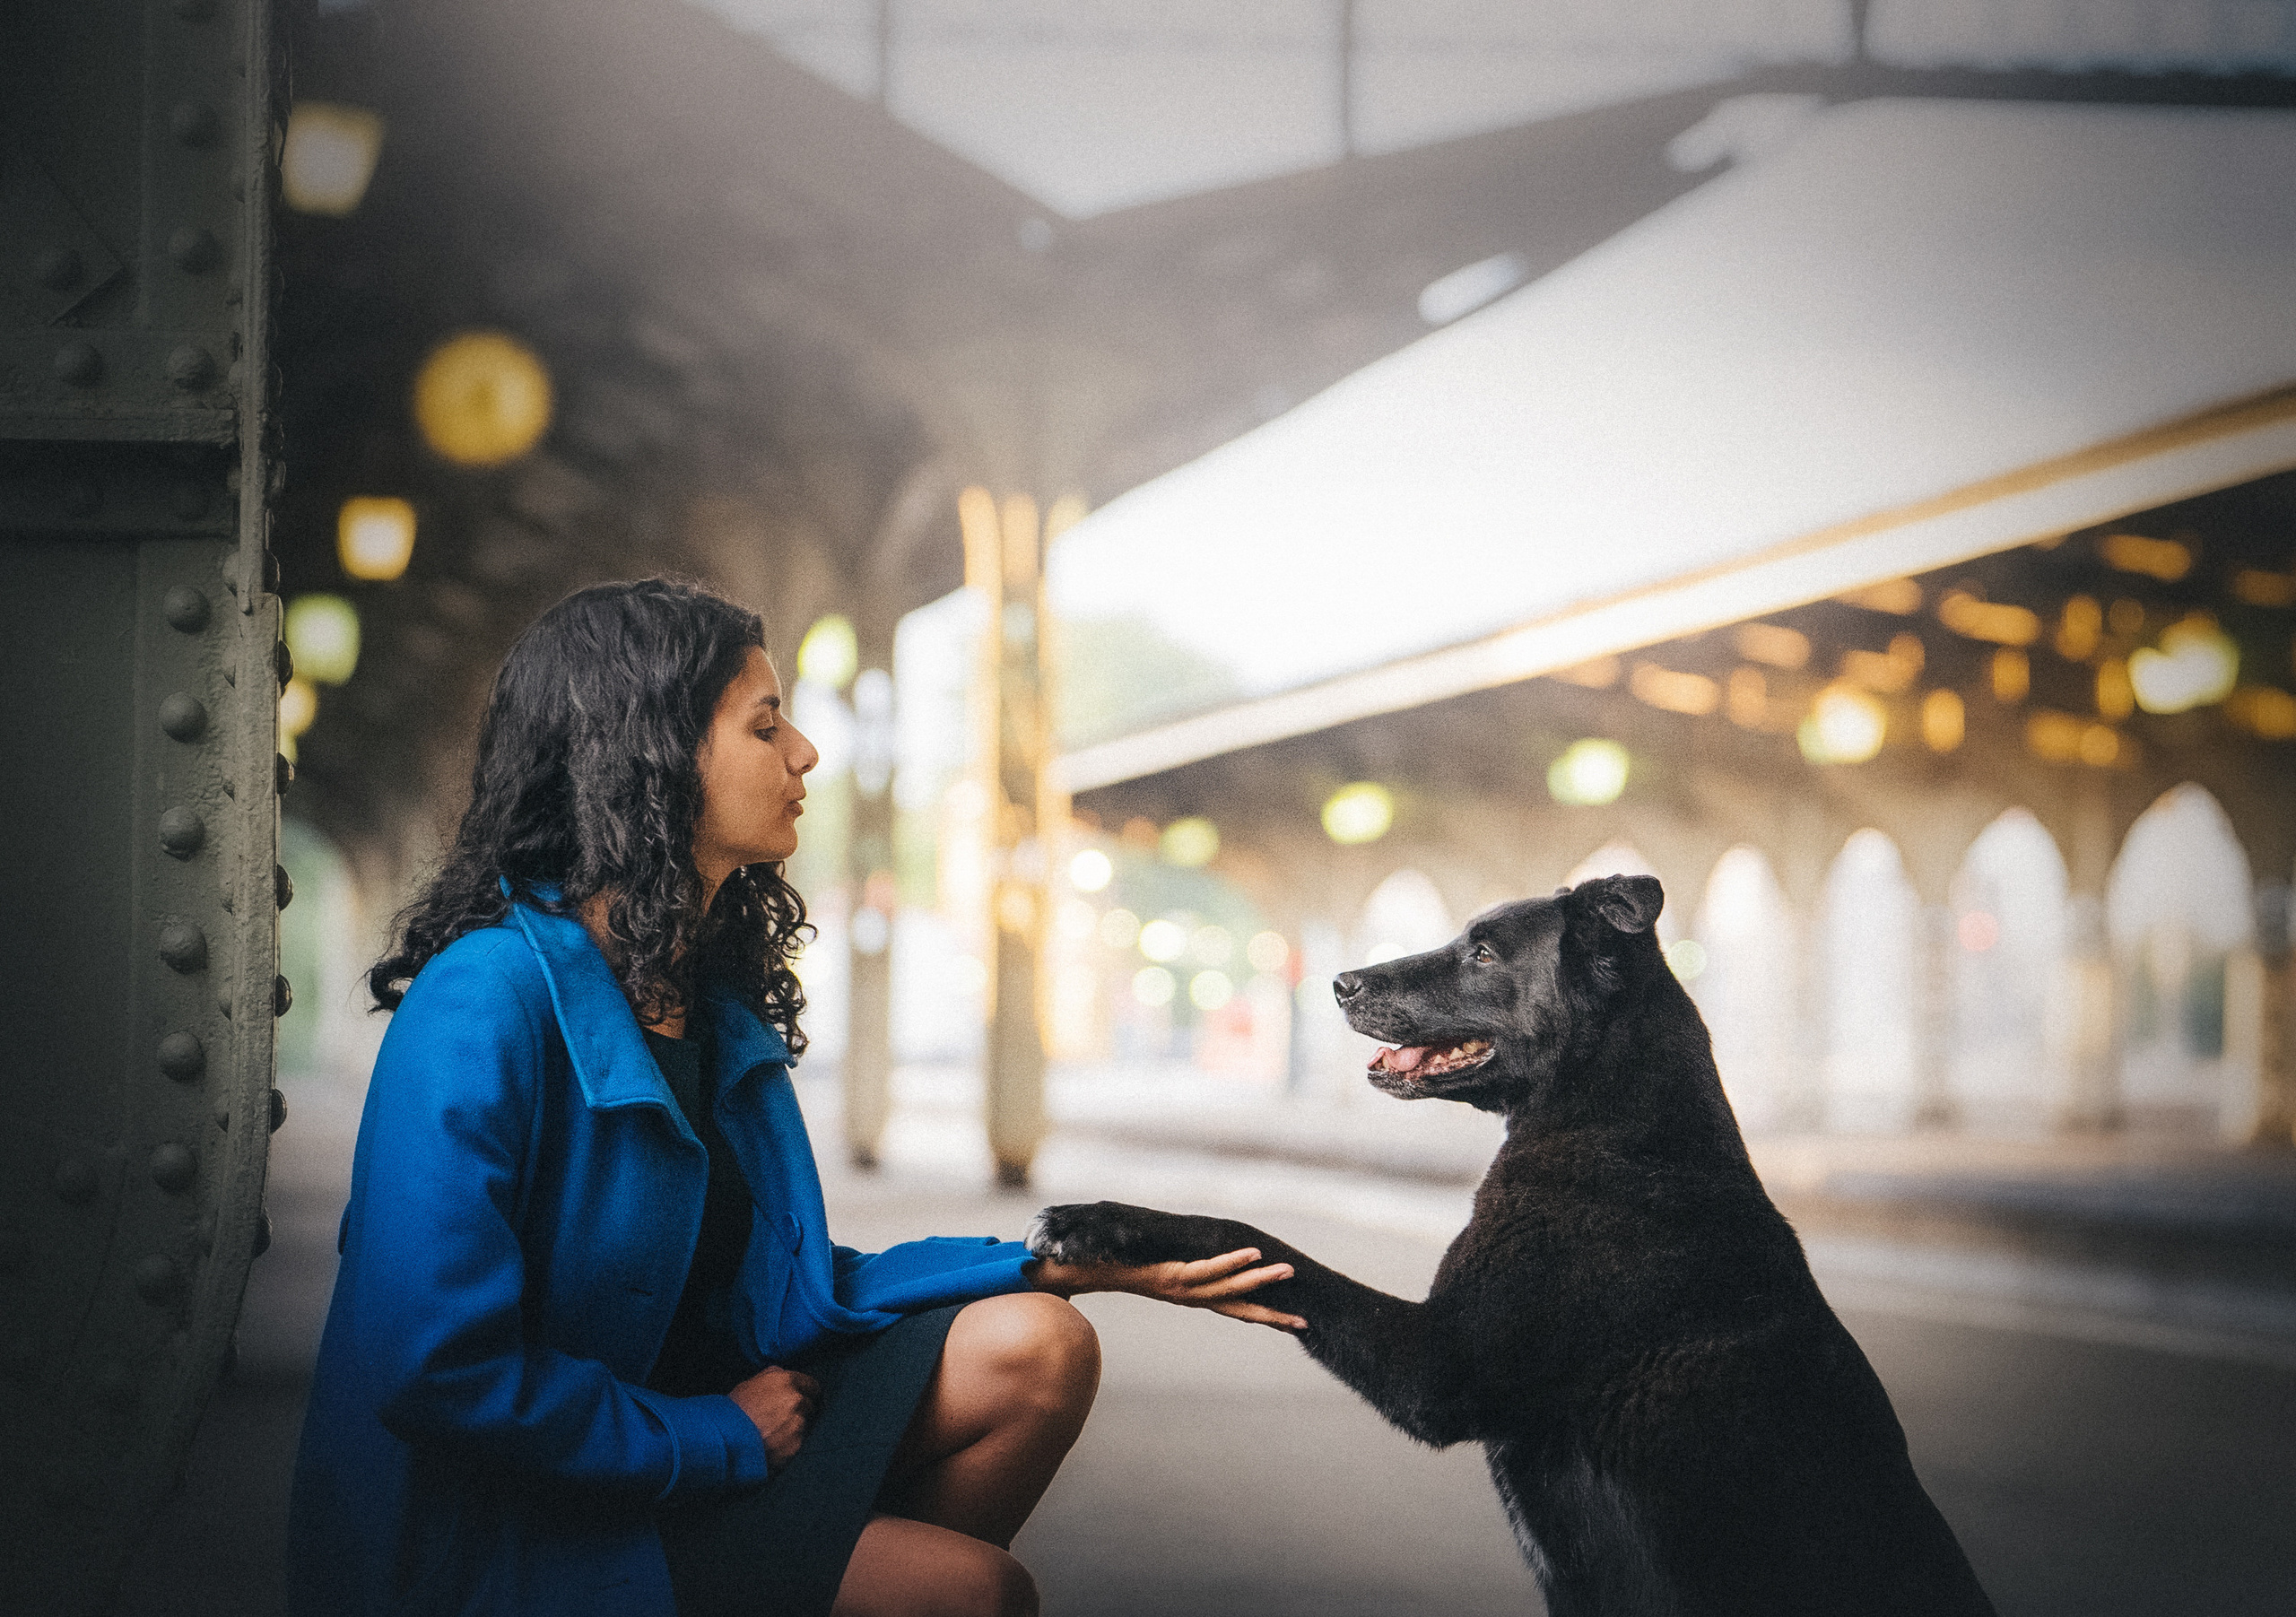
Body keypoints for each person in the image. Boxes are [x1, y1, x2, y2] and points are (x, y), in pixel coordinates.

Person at [287, 578, 1303, 1617]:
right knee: (972, 1594)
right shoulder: (484, 1000)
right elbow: (434, 1369)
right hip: (513, 1521)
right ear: (646, 754)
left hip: (705, 1435)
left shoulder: (707, 1003)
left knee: (1040, 1344)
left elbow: (789, 1285)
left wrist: (1058, 1260)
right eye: (764, 724)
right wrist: (717, 1436)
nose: (806, 753)